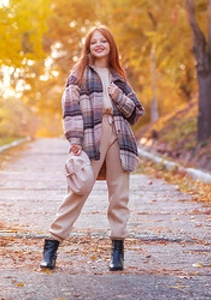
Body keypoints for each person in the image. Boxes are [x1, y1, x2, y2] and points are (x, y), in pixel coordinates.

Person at [40, 25, 144, 271]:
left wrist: (118, 95)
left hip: (119, 135)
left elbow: (136, 112)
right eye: (94, 41)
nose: (99, 45)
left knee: (119, 194)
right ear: (88, 46)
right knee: (78, 190)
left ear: (110, 46)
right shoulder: (79, 73)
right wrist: (75, 139)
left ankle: (117, 251)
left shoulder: (119, 76)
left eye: (103, 41)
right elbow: (70, 106)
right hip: (90, 136)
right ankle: (52, 244)